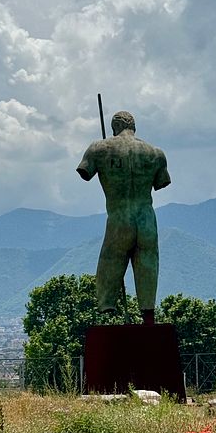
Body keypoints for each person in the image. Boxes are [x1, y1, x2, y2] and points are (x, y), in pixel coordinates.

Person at [77, 111, 170, 324]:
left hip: (120, 219)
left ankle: (107, 306)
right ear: (134, 126)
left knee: (110, 260)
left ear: (115, 126)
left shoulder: (99, 148)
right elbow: (161, 182)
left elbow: (85, 172)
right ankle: (148, 314)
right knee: (148, 263)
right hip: (146, 219)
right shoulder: (155, 153)